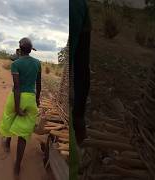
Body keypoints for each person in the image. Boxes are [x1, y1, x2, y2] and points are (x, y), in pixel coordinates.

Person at [0, 37, 41, 176]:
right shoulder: (38, 63)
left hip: (17, 96)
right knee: (23, 133)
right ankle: (17, 166)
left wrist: (17, 107)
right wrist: (37, 99)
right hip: (30, 98)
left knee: (10, 118)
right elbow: (39, 85)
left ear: (20, 49)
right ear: (30, 50)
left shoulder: (16, 64)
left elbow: (17, 87)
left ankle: (7, 143)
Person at [70, 0, 91, 179]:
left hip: (81, 30)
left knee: (81, 74)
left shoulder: (73, 5)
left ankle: (78, 158)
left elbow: (73, 43)